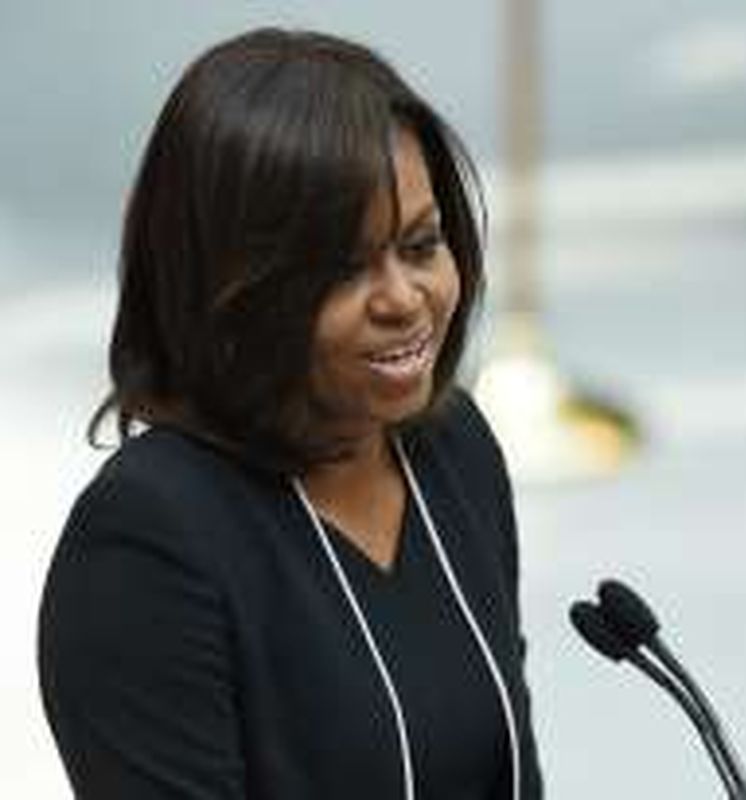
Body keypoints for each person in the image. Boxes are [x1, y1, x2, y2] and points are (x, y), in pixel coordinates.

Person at [37, 27, 543, 800]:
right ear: (231, 287)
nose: (403, 300)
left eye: (420, 245)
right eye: (344, 268)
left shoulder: (453, 450)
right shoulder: (147, 543)